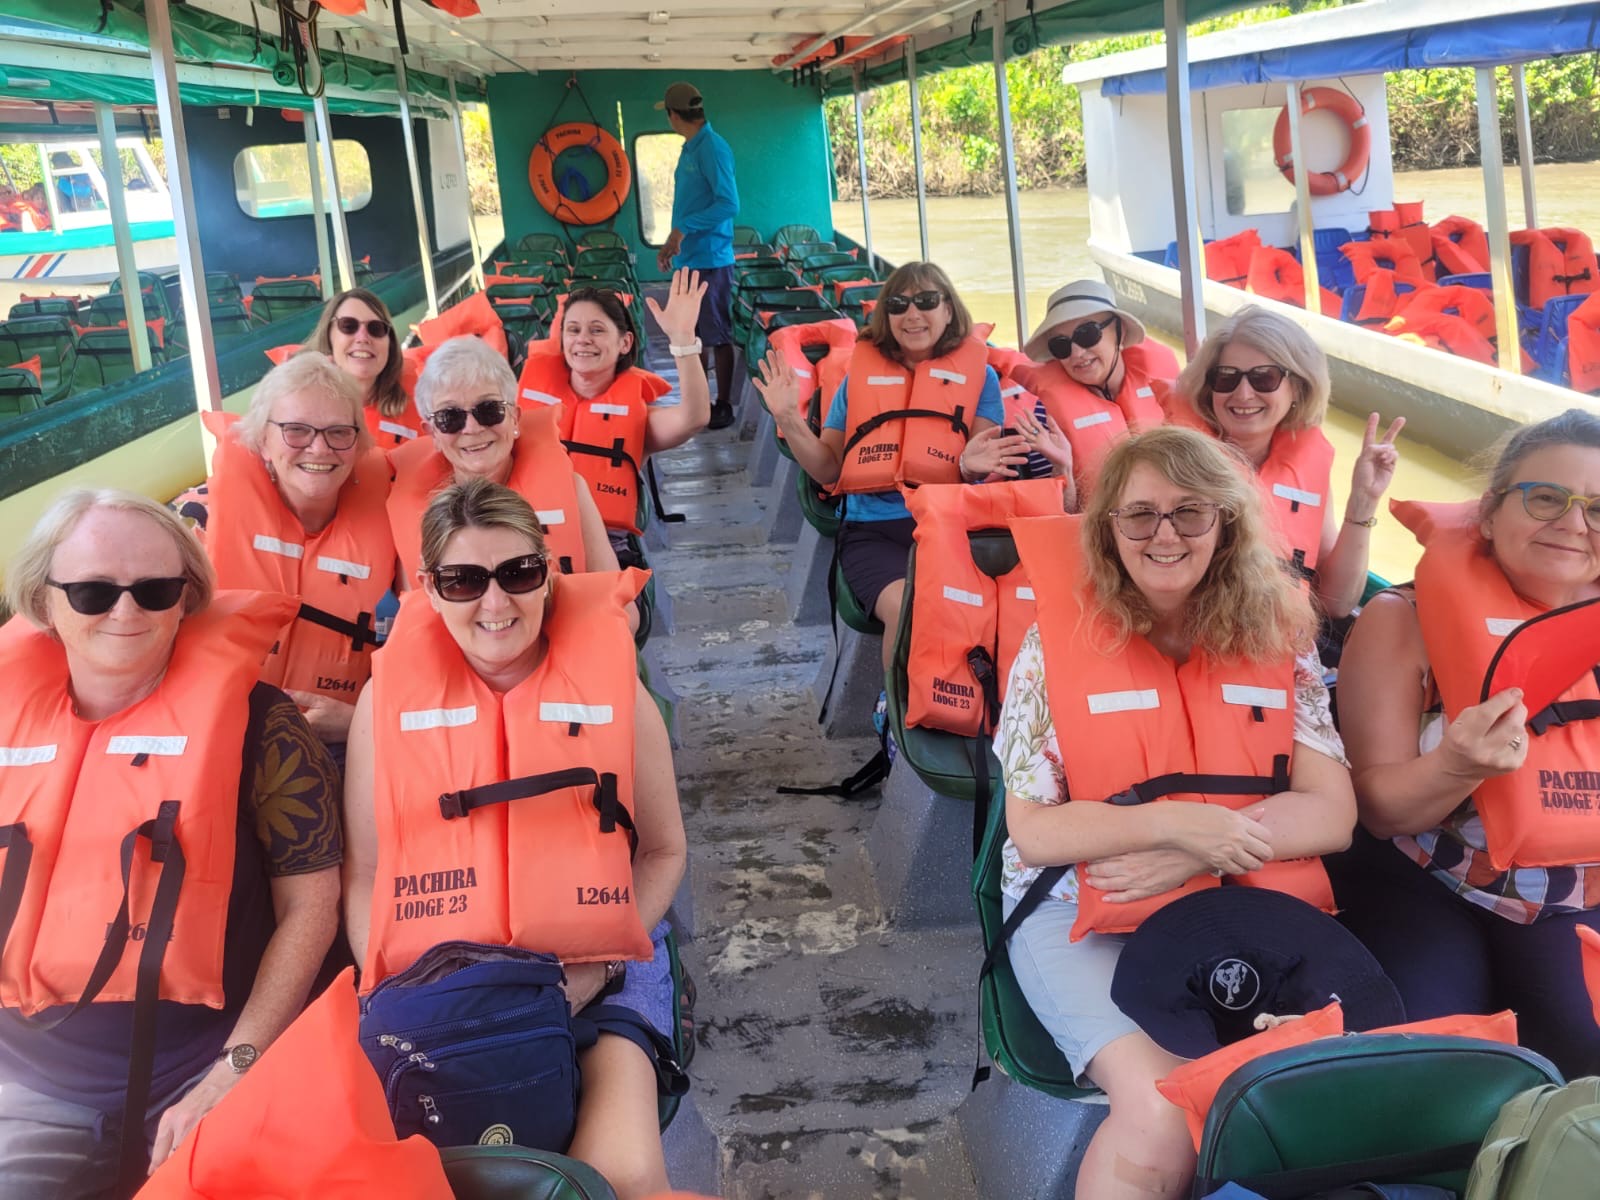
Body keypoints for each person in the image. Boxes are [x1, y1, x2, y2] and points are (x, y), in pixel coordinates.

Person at [997, 427, 1356, 1200]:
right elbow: (1035, 830)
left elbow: (1333, 813)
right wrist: (1171, 826)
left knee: (1310, 1096)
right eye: (1140, 516)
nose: (1164, 534)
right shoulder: (1049, 645)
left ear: (1226, 524)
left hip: (1240, 906)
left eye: (1191, 513)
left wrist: (1209, 850)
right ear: (1108, 531)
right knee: (1164, 1112)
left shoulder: (1281, 638)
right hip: (1078, 911)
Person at [343, 478, 687, 1200]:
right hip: (438, 992)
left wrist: (593, 972)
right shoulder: (386, 701)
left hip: (601, 974)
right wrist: (393, 996)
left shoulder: (612, 683)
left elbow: (662, 853)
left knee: (622, 1180)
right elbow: (366, 873)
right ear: (431, 591)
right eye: (464, 581)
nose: (495, 604)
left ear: (549, 577)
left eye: (519, 574)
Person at [0, 489, 342, 1194]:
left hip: (207, 1066)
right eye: (93, 592)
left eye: (155, 590)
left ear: (187, 599)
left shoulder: (265, 727)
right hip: (28, 1089)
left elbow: (312, 909)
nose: (126, 612)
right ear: (43, 601)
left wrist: (236, 1069)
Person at [1333, 408, 1600, 1077]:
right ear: (1488, 512)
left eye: (1598, 509)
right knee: (1422, 1065)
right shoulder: (1404, 620)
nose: (1573, 524)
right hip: (1427, 878)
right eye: (1547, 498)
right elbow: (1382, 810)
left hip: (1575, 895)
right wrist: (1455, 765)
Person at [751, 261, 1042, 669]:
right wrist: (789, 420)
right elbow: (828, 470)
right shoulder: (859, 380)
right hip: (874, 533)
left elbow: (981, 457)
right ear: (885, 316)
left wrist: (969, 468)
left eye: (926, 301)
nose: (912, 314)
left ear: (948, 310)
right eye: (899, 304)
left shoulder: (982, 378)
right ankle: (896, 719)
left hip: (951, 529)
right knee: (909, 607)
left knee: (994, 612)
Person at [185, 352, 396, 756]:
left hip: (336, 747)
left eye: (338, 432)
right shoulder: (198, 522)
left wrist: (363, 719)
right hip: (220, 741)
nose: (319, 448)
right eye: (296, 430)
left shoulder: (395, 516)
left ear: (357, 444)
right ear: (263, 441)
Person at [1171, 306, 1403, 618]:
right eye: (1226, 378)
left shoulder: (1306, 467)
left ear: (1298, 387)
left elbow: (1337, 602)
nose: (1243, 393)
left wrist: (1364, 501)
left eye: (1263, 378)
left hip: (1284, 642)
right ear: (1209, 387)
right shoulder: (1170, 464)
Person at [394, 335, 622, 589]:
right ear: (433, 433)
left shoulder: (571, 490)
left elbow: (623, 611)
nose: (472, 428)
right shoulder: (414, 514)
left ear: (514, 418)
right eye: (450, 417)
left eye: (489, 409)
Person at [516, 271, 711, 565]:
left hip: (603, 553)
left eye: (597, 330)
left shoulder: (638, 421)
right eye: (573, 330)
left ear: (625, 342)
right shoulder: (520, 407)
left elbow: (693, 417)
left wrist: (682, 339)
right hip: (526, 547)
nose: (583, 340)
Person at [1010, 279, 1177, 498]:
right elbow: (1061, 513)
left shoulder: (1169, 388)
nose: (1077, 353)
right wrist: (1063, 468)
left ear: (1121, 332)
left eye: (1087, 334)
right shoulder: (1043, 415)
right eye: (1061, 345)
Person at [654, 82, 739, 429]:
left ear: (675, 115)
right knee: (694, 334)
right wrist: (675, 242)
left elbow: (729, 203)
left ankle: (723, 405)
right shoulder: (690, 148)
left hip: (712, 260)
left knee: (718, 334)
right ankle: (699, 399)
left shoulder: (713, 149)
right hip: (691, 257)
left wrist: (683, 229)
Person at [307, 288, 424, 448]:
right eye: (348, 326)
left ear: (389, 343)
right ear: (329, 335)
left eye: (376, 328)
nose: (363, 338)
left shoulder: (427, 405)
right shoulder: (295, 409)